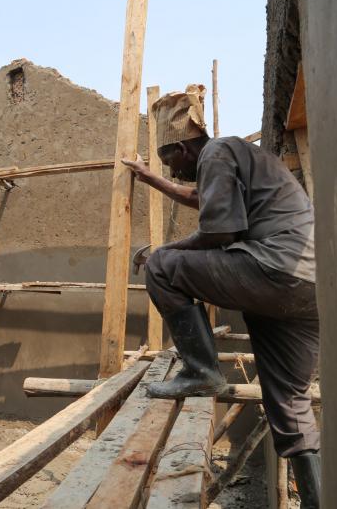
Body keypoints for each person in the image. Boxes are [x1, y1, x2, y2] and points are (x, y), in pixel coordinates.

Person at [122, 85, 320, 507]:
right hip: (310, 289)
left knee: (161, 266)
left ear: (184, 147)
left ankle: (201, 370)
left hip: (273, 269)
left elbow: (219, 232)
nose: (171, 171)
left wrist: (165, 251)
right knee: (288, 401)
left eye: (168, 160)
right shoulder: (239, 158)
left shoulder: (216, 153)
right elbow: (202, 200)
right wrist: (151, 179)